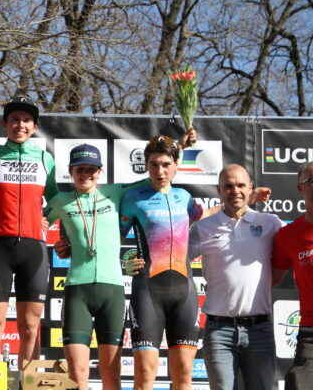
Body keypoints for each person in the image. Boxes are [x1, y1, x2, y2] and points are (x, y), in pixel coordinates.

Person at [0, 96, 58, 367]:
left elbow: (56, 198)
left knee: (30, 327)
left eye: (27, 120)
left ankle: (27, 383)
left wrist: (47, 218)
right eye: (15, 119)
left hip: (34, 250)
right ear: (4, 124)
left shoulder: (45, 159)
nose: (20, 125)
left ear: (34, 127)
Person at [45, 144, 149, 390]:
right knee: (77, 373)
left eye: (91, 169)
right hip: (76, 291)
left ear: (100, 171)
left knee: (111, 371)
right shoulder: (61, 201)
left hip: (112, 291)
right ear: (71, 172)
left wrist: (180, 148)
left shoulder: (115, 192)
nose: (85, 174)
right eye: (79, 169)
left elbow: (154, 178)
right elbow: (35, 224)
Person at [119, 135, 212, 390]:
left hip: (184, 291)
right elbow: (112, 238)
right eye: (153, 164)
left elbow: (207, 217)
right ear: (146, 165)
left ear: (176, 165)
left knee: (184, 373)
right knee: (144, 372)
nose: (160, 171)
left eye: (166, 164)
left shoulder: (185, 197)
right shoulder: (134, 198)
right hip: (147, 291)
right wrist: (125, 261)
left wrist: (246, 201)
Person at [186, 164, 280, 390]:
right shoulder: (203, 228)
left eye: (240, 185)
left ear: (250, 188)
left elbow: (296, 246)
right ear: (219, 190)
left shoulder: (270, 223)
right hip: (219, 331)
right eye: (228, 186)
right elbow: (174, 258)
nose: (235, 190)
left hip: (260, 330)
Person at [272, 161, 313, 390]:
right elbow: (273, 279)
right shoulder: (288, 235)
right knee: (298, 383)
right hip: (310, 332)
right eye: (312, 181)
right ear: (300, 188)